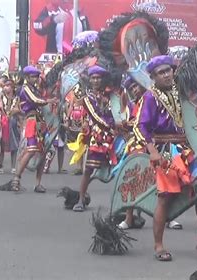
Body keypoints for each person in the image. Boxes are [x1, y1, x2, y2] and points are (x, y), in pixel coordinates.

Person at [133, 55, 197, 261]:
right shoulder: (149, 97)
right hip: (165, 149)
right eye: (161, 73)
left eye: (168, 70)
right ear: (153, 77)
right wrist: (152, 151)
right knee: (165, 197)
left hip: (187, 148)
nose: (166, 75)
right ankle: (158, 245)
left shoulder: (181, 92)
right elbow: (140, 126)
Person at [117, 76, 183, 230]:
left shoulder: (155, 97)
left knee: (171, 177)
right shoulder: (134, 104)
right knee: (134, 171)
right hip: (141, 142)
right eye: (131, 88)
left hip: (162, 143)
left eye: (136, 86)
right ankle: (128, 218)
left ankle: (169, 217)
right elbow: (137, 124)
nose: (135, 90)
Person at [72, 65, 117, 212]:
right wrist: (109, 127)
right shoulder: (87, 98)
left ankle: (123, 206)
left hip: (114, 135)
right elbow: (95, 117)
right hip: (97, 137)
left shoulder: (110, 95)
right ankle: (80, 199)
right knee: (88, 170)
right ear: (90, 80)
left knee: (121, 168)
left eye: (98, 78)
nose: (96, 80)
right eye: (93, 78)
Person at [9, 66, 56, 193]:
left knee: (42, 152)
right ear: (27, 77)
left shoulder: (35, 89)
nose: (35, 79)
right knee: (31, 149)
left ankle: (38, 183)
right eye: (33, 76)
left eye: (36, 76)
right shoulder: (25, 89)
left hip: (40, 122)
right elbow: (35, 101)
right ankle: (16, 179)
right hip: (31, 121)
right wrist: (48, 100)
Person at [0, 78, 21, 174]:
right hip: (3, 122)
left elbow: (20, 110)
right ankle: (0, 166)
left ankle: (13, 167)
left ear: (13, 87)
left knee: (14, 145)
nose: (6, 88)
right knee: (1, 145)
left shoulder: (17, 98)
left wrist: (16, 111)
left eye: (8, 85)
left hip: (13, 122)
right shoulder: (0, 98)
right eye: (5, 86)